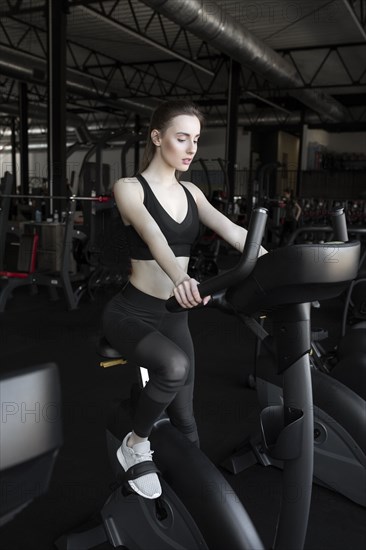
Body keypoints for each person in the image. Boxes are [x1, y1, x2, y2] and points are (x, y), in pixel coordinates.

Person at [102, 100, 267, 500]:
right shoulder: (128, 188)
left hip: (175, 316)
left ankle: (193, 497)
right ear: (157, 138)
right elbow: (151, 233)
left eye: (195, 140)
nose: (191, 148)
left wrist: (283, 264)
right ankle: (134, 443)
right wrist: (181, 277)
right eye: (181, 138)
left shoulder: (192, 192)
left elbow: (234, 231)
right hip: (131, 312)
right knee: (173, 368)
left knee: (186, 418)